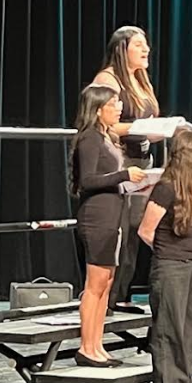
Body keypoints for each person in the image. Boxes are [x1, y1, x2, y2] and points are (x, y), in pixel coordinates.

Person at [137, 129, 192, 383]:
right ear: (191, 153)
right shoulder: (167, 187)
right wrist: (167, 253)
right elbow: (146, 230)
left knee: (189, 332)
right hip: (171, 266)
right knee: (169, 333)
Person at [69, 85, 145, 367]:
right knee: (95, 284)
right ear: (99, 109)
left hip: (113, 214)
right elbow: (87, 180)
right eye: (114, 104)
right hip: (97, 217)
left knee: (107, 282)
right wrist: (124, 173)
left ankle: (97, 344)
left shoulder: (107, 137)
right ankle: (86, 347)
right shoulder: (90, 138)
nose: (120, 108)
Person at [93, 26, 160, 314]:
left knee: (134, 231)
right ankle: (104, 299)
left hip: (143, 162)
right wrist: (137, 127)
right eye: (139, 45)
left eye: (146, 45)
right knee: (118, 231)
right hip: (119, 163)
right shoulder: (108, 79)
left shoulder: (141, 80)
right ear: (122, 48)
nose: (146, 50)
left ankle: (121, 295)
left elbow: (151, 125)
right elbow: (100, 124)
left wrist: (168, 129)